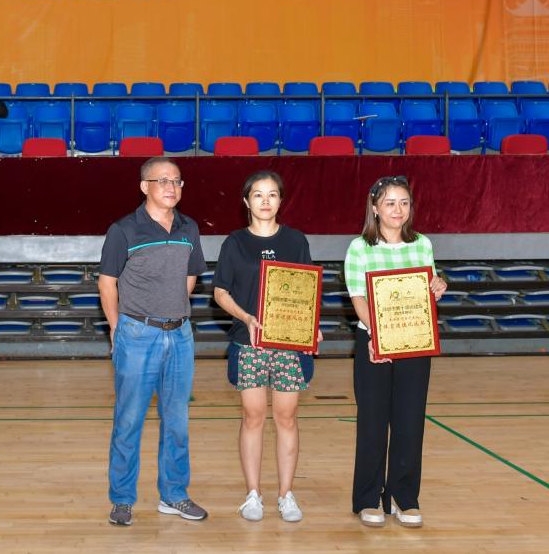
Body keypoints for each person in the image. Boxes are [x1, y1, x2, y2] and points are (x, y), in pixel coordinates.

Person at [98, 157, 209, 527]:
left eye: (177, 180)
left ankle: (174, 495)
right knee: (128, 420)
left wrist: (172, 310)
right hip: (137, 335)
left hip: (180, 334)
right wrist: (117, 328)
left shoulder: (189, 228)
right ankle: (122, 500)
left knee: (177, 421)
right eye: (162, 180)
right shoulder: (123, 230)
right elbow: (107, 282)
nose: (171, 187)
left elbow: (191, 277)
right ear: (144, 186)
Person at [212, 170, 320, 524]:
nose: (265, 201)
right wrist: (246, 317)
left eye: (272, 194)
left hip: (288, 344)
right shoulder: (234, 243)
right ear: (247, 201)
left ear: (280, 200)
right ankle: (253, 494)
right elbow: (220, 292)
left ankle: (286, 494)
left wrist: (311, 327)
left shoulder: (296, 240)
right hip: (249, 343)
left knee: (286, 417)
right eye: (258, 194)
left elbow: (307, 290)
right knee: (253, 416)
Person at [344, 175, 448, 529]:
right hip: (373, 343)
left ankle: (404, 497)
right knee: (373, 423)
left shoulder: (422, 244)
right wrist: (378, 336)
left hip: (415, 342)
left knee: (410, 422)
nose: (398, 210)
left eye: (404, 202)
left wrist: (438, 285)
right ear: (375, 208)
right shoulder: (360, 248)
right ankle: (368, 497)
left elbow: (427, 287)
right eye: (390, 203)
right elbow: (358, 298)